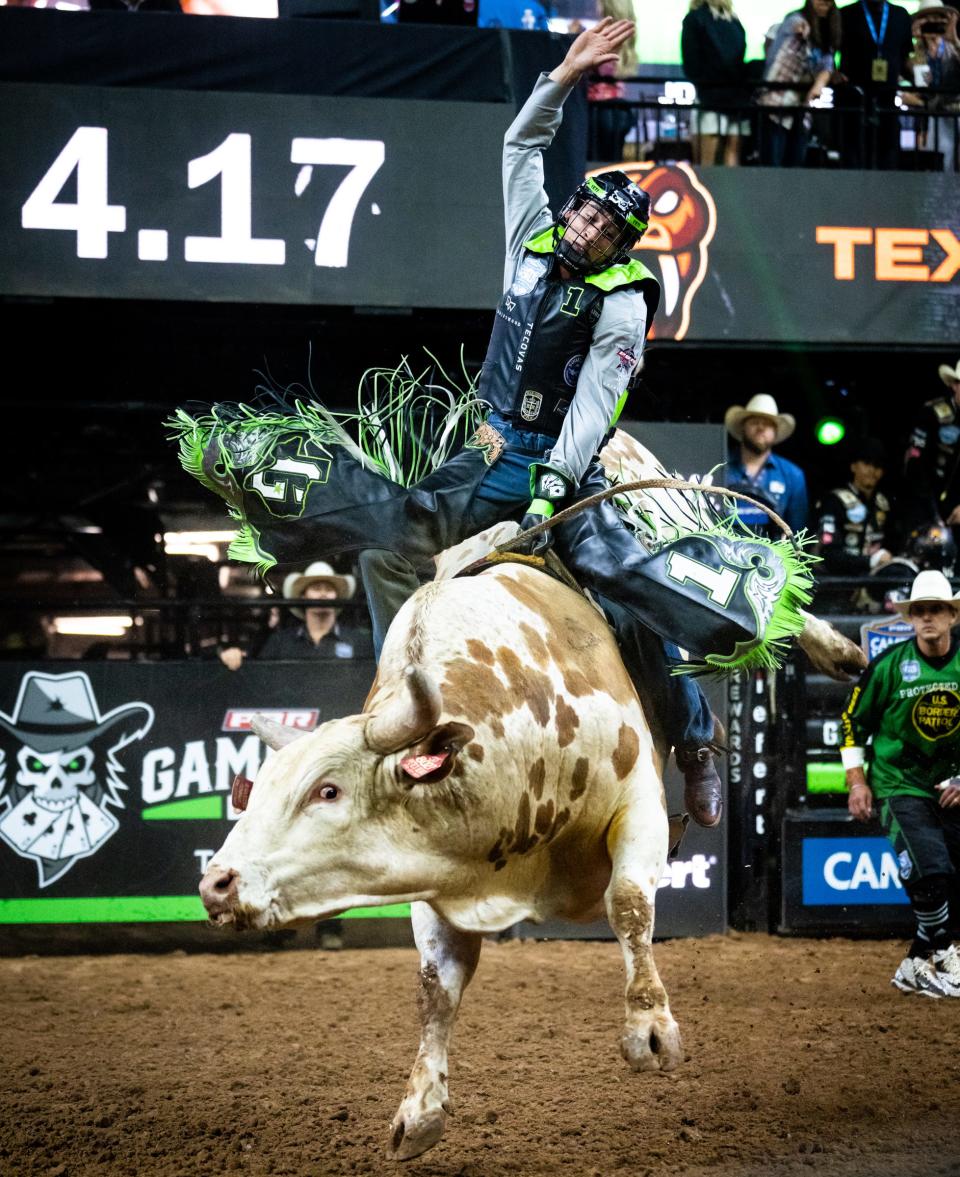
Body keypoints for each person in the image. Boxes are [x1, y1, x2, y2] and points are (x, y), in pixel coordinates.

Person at [840, 568, 960, 997]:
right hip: (897, 783)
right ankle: (946, 953)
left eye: (937, 611)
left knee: (946, 878)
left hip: (950, 785)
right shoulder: (889, 667)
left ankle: (914, 963)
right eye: (920, 611)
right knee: (930, 870)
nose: (928, 618)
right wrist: (857, 783)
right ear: (910, 619)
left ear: (952, 616)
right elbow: (852, 724)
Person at [219, 561, 372, 669]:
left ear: (337, 597)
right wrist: (234, 656)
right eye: (316, 588)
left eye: (329, 589)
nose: (323, 594)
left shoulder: (359, 642)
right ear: (303, 596)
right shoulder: (279, 642)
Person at [758, 0, 840, 166]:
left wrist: (823, 79)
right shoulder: (796, 21)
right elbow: (813, 61)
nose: (824, 4)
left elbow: (826, 64)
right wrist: (821, 78)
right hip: (776, 105)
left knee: (795, 168)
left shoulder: (827, 29)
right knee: (772, 168)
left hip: (801, 110)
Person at [814, 436, 891, 608]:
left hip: (868, 589)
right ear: (853, 466)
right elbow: (828, 555)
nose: (872, 470)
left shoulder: (883, 505)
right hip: (832, 588)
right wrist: (870, 561)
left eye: (877, 466)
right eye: (866, 463)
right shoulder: (834, 501)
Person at [836, 0, 914, 168]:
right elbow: (830, 50)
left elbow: (906, 56)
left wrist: (921, 76)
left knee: (887, 159)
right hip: (853, 103)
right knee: (853, 160)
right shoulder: (846, 14)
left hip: (887, 103)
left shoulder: (901, 15)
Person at [722, 393, 809, 535]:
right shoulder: (720, 465)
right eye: (755, 422)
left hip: (773, 553)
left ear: (775, 432)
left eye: (768, 424)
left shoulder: (793, 474)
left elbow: (799, 531)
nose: (761, 428)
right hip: (723, 550)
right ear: (743, 427)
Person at [681, 0, 749, 166]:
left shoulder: (698, 19)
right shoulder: (732, 21)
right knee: (716, 162)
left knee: (709, 165)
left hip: (716, 100)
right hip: (724, 100)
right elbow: (692, 65)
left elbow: (691, 65)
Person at [902, 357, 960, 536]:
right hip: (927, 503)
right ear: (955, 385)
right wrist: (933, 512)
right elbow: (915, 463)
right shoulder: (932, 413)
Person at [903, 4, 960, 173]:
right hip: (934, 119)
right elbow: (919, 85)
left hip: (956, 113)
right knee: (941, 162)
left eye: (938, 19)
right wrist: (912, 41)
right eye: (928, 20)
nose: (933, 23)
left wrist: (954, 40)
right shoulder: (916, 53)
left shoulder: (954, 47)